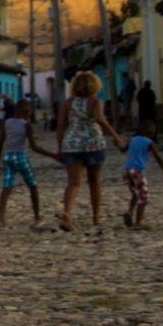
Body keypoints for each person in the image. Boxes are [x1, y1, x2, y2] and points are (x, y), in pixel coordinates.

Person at [55, 71, 125, 234]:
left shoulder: (68, 103)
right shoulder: (95, 102)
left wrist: (60, 147)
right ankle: (96, 216)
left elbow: (60, 126)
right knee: (94, 182)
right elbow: (100, 119)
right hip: (94, 144)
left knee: (73, 183)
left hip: (72, 145)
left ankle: (67, 213)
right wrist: (115, 136)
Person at [0, 98, 52, 229]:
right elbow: (33, 146)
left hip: (7, 157)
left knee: (6, 188)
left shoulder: (7, 123)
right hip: (20, 157)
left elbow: (0, 143)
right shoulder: (27, 125)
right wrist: (52, 155)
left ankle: (1, 219)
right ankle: (37, 217)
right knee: (33, 186)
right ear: (27, 112)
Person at [121, 120, 163, 229]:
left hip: (126, 171)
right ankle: (138, 223)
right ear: (151, 133)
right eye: (152, 133)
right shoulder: (149, 142)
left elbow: (122, 149)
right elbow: (159, 159)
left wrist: (117, 142)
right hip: (137, 171)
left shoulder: (132, 140)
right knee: (143, 197)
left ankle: (129, 212)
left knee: (135, 194)